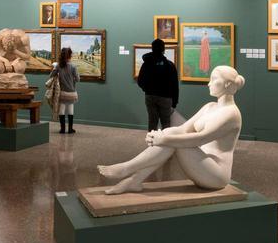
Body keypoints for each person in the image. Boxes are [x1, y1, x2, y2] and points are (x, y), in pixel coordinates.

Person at [99, 65, 244, 195]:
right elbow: (183, 129)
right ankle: (134, 180)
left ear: (227, 84)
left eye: (214, 79)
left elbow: (200, 138)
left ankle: (127, 169)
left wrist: (163, 139)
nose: (209, 83)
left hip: (216, 176)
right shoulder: (210, 106)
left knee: (171, 139)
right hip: (201, 164)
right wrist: (160, 134)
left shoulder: (231, 114)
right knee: (171, 134)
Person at [136, 38, 180, 131]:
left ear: (152, 49)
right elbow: (174, 85)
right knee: (166, 123)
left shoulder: (146, 64)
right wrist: (174, 102)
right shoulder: (169, 65)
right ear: (163, 49)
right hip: (166, 97)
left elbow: (140, 81)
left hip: (150, 96)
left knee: (152, 122)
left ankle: (152, 144)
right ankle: (165, 144)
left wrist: (147, 89)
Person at [51, 47, 79, 134]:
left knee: (61, 110)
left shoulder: (59, 66)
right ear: (69, 55)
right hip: (72, 93)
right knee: (70, 109)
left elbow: (51, 75)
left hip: (62, 93)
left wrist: (55, 66)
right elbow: (78, 79)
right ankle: (70, 129)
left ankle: (62, 129)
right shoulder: (73, 66)